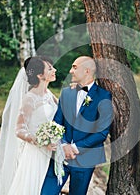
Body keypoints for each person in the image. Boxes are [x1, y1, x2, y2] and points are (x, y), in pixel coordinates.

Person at [41, 56, 113, 195]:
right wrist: (63, 145)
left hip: (86, 159)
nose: (70, 71)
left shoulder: (104, 96)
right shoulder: (67, 93)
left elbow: (101, 133)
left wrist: (74, 148)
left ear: (86, 71)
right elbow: (57, 123)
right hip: (60, 156)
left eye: (74, 67)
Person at [0, 56, 59, 195]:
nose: (54, 70)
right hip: (36, 153)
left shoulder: (49, 94)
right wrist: (41, 141)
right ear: (40, 75)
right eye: (50, 68)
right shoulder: (30, 98)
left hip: (51, 151)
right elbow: (19, 129)